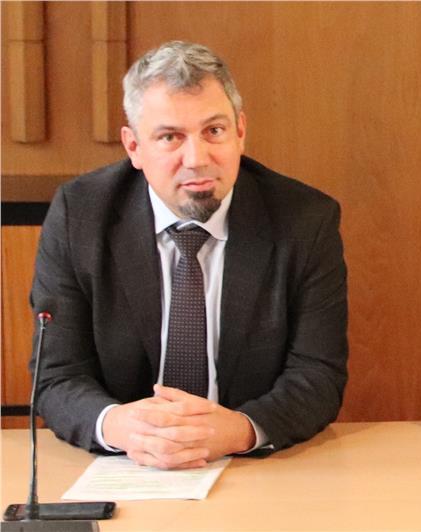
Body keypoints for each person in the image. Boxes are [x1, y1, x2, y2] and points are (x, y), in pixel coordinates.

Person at [30, 41, 348, 469]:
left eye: (214, 131)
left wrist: (240, 430)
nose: (196, 159)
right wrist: (121, 426)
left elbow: (318, 375)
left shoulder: (304, 220)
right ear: (133, 147)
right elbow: (56, 375)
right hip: (124, 465)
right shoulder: (80, 217)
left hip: (252, 467)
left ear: (240, 131)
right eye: (170, 137)